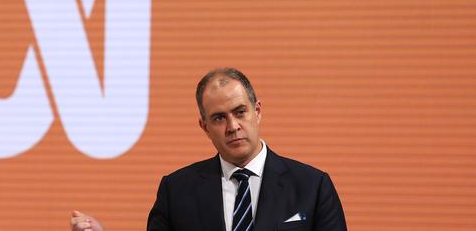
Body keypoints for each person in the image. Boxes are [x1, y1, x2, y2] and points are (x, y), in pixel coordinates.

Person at [71, 68, 347, 231]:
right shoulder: (176, 190)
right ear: (204, 126)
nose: (233, 126)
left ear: (258, 111)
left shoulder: (313, 186)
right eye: (219, 118)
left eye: (240, 112)